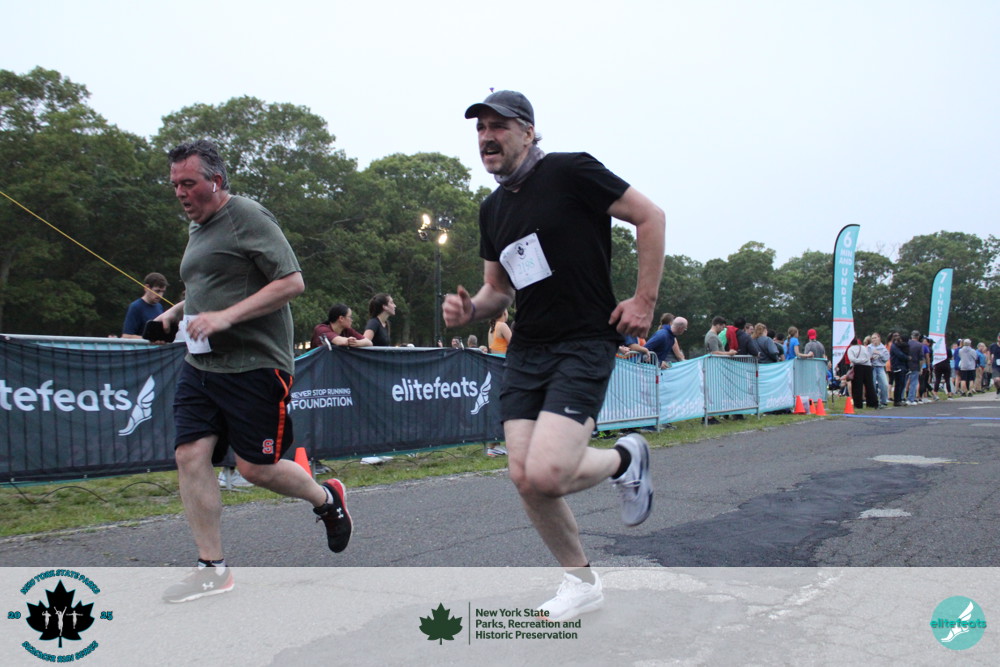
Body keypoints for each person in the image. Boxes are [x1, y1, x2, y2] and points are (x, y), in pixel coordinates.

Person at [444, 90, 665, 622]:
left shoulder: (571, 172)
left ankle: (625, 459)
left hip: (584, 340)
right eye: (480, 129)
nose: (487, 137)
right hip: (528, 348)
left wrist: (644, 300)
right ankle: (580, 582)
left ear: (528, 132)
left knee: (548, 473)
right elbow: (498, 290)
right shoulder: (492, 209)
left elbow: (650, 216)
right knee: (524, 476)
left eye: (498, 126)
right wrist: (471, 309)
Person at [154, 140, 352, 603]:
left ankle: (326, 499)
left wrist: (225, 318)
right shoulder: (197, 227)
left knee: (255, 468)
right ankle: (212, 569)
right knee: (189, 456)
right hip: (202, 364)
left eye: (189, 183)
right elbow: (208, 286)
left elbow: (292, 282)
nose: (180, 193)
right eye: (175, 184)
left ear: (216, 181)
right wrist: (173, 314)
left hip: (255, 365)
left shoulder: (247, 216)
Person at [121, 272, 169, 338]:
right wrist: (150, 339)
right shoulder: (136, 307)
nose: (160, 295)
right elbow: (126, 336)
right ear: (146, 287)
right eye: (157, 291)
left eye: (162, 291)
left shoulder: (159, 307)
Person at [846, 336, 878, 409]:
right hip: (867, 367)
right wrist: (864, 360)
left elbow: (852, 359)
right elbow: (869, 356)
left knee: (857, 386)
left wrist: (859, 361)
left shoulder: (850, 349)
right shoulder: (863, 347)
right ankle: (872, 403)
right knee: (869, 385)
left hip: (857, 367)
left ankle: (858, 404)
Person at [867, 332, 890, 407]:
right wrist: (871, 357)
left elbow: (886, 358)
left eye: (875, 338)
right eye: (872, 338)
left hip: (880, 367)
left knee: (884, 384)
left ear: (879, 338)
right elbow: (866, 357)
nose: (873, 340)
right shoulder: (869, 347)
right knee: (872, 385)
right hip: (872, 367)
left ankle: (883, 401)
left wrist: (880, 354)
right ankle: (873, 401)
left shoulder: (883, 348)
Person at [889, 332, 910, 406]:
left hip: (902, 365)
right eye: (895, 336)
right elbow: (899, 354)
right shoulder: (894, 346)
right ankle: (897, 400)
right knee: (898, 384)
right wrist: (907, 357)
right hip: (897, 366)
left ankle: (899, 399)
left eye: (898, 336)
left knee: (902, 383)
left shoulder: (899, 346)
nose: (897, 337)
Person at [989, 333, 1000, 398]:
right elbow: (990, 353)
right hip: (996, 365)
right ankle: (998, 389)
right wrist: (989, 360)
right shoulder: (993, 346)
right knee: (996, 380)